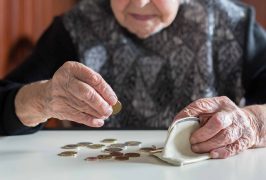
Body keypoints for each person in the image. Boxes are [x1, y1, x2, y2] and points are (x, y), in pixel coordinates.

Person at [1, 0, 266, 159]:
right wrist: (41, 99)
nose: (138, 3)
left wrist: (253, 122)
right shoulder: (75, 26)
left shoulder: (234, 24)